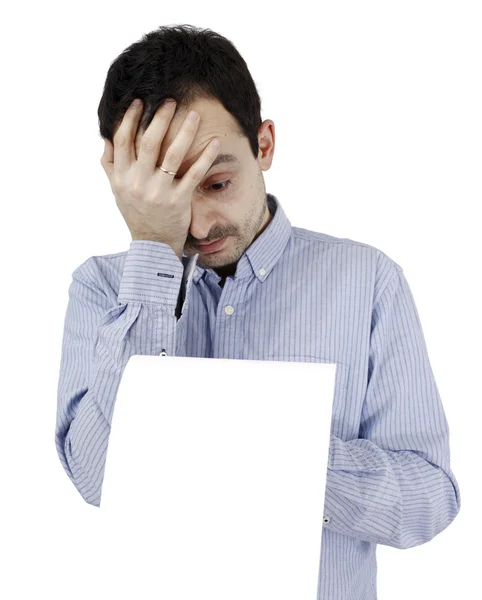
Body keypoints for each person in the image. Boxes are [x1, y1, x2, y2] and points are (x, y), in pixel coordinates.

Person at [55, 24, 461, 600]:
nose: (196, 225)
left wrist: (269, 455)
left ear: (264, 145)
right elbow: (98, 481)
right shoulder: (101, 289)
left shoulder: (370, 282)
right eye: (168, 193)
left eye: (216, 182)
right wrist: (153, 254)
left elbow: (429, 501)